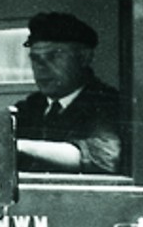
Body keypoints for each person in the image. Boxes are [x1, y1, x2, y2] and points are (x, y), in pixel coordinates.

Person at [9, 12, 125, 174]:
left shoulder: (109, 104)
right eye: (35, 58)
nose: (41, 67)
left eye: (53, 56)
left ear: (84, 57)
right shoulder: (31, 107)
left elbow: (103, 157)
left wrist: (17, 146)